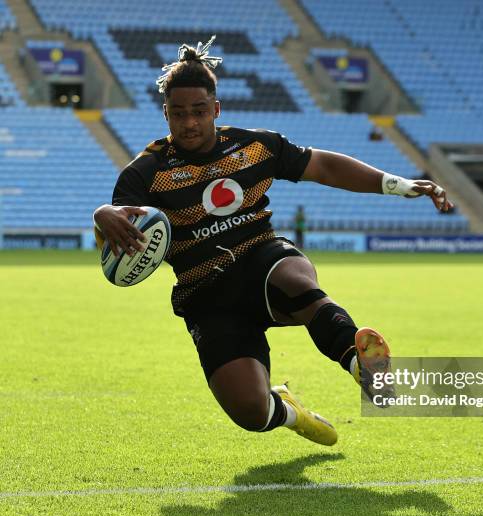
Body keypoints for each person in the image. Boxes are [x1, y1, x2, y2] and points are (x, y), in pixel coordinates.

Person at [92, 38, 453, 447]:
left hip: (260, 258)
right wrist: (103, 215)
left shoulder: (255, 147)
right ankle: (289, 412)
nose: (189, 123)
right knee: (251, 412)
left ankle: (361, 365)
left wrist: (397, 184)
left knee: (296, 279)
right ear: (165, 114)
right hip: (205, 294)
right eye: (178, 114)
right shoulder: (146, 172)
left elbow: (324, 167)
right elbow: (121, 228)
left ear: (216, 109)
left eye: (198, 111)